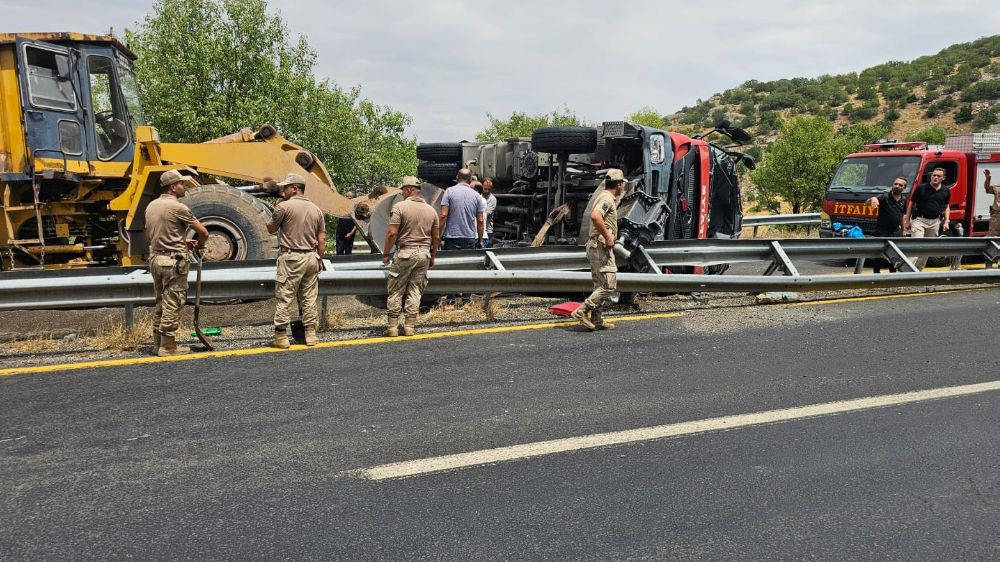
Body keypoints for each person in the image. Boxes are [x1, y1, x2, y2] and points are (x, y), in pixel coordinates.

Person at [144, 169, 209, 357]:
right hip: (173, 262)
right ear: (173, 187)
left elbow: (150, 234)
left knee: (160, 301)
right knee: (174, 302)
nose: (184, 186)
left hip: (156, 258)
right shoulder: (179, 208)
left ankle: (158, 343)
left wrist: (181, 241)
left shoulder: (151, 206)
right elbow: (203, 233)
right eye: (181, 183)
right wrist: (198, 246)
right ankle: (168, 346)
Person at [267, 173, 326, 349]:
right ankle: (310, 335)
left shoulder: (283, 207)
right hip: (311, 257)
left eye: (285, 187)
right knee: (309, 298)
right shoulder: (316, 209)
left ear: (294, 188)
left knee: (285, 297)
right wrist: (320, 259)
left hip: (291, 258)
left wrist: (277, 208)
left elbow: (270, 229)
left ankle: (281, 337)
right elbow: (322, 240)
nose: (282, 190)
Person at [382, 176, 440, 336]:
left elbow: (392, 233)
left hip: (405, 252)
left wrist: (386, 254)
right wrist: (433, 257)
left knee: (396, 290)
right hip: (424, 254)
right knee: (415, 290)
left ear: (408, 190)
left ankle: (392, 327)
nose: (401, 193)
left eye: (402, 190)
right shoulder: (431, 210)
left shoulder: (400, 207)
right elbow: (436, 238)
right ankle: (409, 326)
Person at [571, 169, 625, 331]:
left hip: (596, 246)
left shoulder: (605, 196)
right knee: (609, 285)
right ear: (619, 184)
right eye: (622, 184)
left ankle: (597, 318)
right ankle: (582, 311)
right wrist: (608, 236)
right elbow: (595, 216)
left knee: (600, 285)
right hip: (600, 247)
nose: (623, 187)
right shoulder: (607, 198)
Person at [903, 167, 951, 269]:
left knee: (927, 248)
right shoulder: (921, 188)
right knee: (917, 246)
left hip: (935, 222)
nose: (935, 177)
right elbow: (911, 204)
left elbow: (946, 207)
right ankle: (907, 272)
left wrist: (947, 221)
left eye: (938, 176)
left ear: (943, 178)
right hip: (919, 220)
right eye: (934, 175)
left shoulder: (946, 191)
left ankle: (918, 273)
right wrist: (907, 221)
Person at [865, 177, 907, 273]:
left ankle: (892, 275)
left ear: (904, 188)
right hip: (882, 231)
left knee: (894, 255)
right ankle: (876, 274)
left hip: (895, 231)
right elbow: (867, 203)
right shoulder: (884, 197)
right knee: (879, 254)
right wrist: (873, 199)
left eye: (900, 185)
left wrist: (904, 230)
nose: (897, 186)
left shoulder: (904, 200)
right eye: (895, 184)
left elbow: (902, 216)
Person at [439, 168, 485, 251]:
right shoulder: (477, 196)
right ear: (470, 180)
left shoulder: (449, 191)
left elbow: (443, 215)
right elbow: (480, 220)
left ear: (457, 178)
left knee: (451, 263)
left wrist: (437, 236)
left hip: (452, 238)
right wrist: (480, 240)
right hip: (469, 238)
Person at [335, 190, 356, 255]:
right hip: (340, 232)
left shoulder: (355, 209)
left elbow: (357, 224)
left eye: (348, 197)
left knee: (348, 252)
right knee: (339, 250)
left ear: (352, 198)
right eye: (346, 196)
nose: (346, 198)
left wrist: (351, 233)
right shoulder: (342, 207)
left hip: (350, 233)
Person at [482, 177, 497, 248]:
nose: (487, 191)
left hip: (487, 231)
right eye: (485, 189)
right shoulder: (479, 196)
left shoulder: (492, 199)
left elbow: (485, 215)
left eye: (489, 189)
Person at [984, 169, 1000, 236]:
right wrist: (988, 179)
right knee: (993, 236)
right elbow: (987, 188)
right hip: (997, 215)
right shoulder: (998, 187)